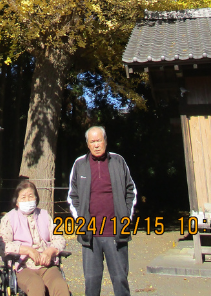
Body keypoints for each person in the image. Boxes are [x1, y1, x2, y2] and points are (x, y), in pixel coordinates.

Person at [66, 126, 136, 296]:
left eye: (99, 141)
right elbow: (72, 196)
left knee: (120, 279)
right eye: (92, 141)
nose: (96, 145)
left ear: (105, 141)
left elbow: (131, 191)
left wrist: (125, 218)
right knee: (91, 282)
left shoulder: (118, 161)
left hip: (115, 232)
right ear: (87, 144)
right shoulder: (79, 164)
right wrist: (80, 220)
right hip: (90, 235)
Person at [0, 180, 70, 296]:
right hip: (23, 266)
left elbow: (60, 239)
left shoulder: (45, 215)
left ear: (36, 199)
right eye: (23, 197)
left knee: (59, 285)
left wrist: (49, 251)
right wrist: (28, 250)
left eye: (30, 196)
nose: (27, 200)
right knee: (36, 285)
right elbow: (3, 246)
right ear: (16, 202)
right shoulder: (9, 219)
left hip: (47, 265)